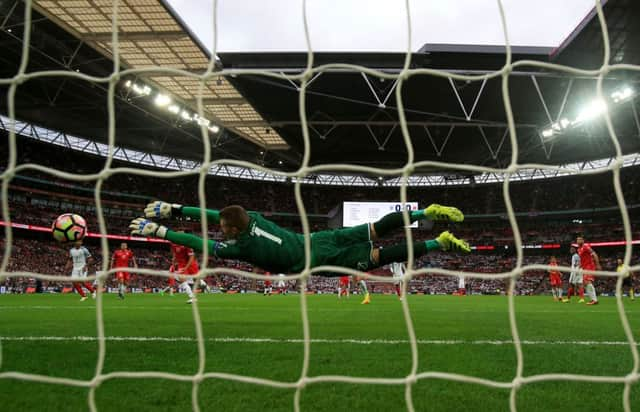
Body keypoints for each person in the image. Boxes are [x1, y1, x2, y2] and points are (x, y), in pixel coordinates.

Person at [129, 201, 470, 277]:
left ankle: (437, 242)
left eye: (224, 228)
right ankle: (423, 213)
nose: (221, 229)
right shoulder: (254, 218)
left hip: (315, 260)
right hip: (320, 238)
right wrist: (175, 210)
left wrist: (164, 231)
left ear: (232, 230)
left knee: (380, 257)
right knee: (375, 228)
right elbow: (222, 215)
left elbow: (206, 245)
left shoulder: (243, 247)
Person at [577, 236, 600, 305]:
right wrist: (580, 266)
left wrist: (598, 264)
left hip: (589, 266)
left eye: (580, 239)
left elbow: (594, 254)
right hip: (584, 268)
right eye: (577, 240)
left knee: (587, 282)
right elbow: (582, 259)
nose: (579, 241)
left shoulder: (585, 246)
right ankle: (593, 299)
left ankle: (594, 300)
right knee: (585, 283)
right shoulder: (579, 249)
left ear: (583, 241)